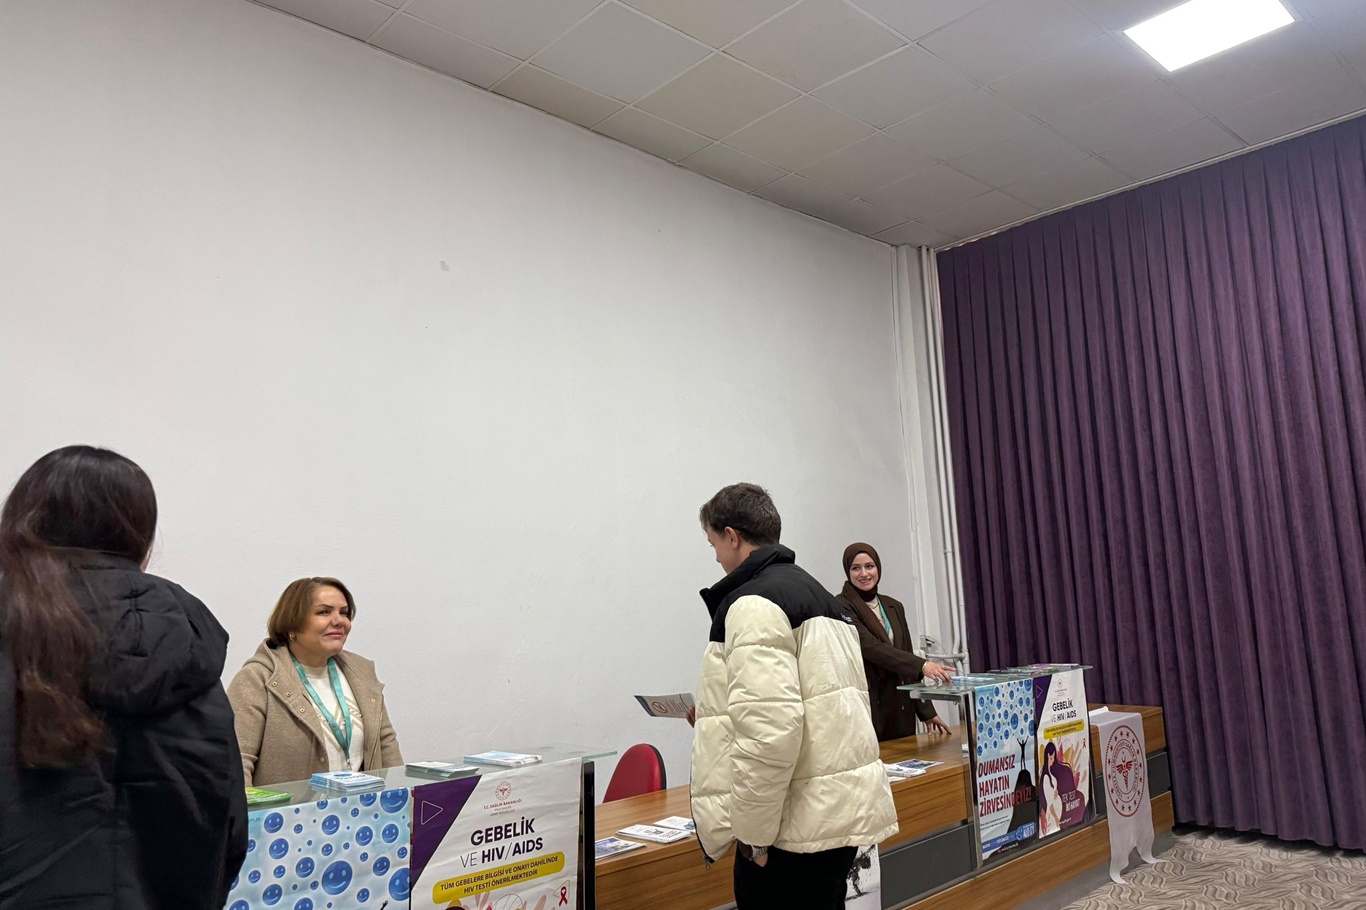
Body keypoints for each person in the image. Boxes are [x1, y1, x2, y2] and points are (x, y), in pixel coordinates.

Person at [0, 445, 246, 909]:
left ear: (24, 520)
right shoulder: (184, 646)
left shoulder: (13, 628)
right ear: (139, 534)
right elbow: (228, 822)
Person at [690, 483, 897, 910]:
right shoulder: (819, 595)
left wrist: (754, 838)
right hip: (832, 817)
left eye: (713, 545)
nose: (715, 558)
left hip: (791, 832)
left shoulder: (752, 604)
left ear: (732, 536)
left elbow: (771, 732)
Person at [229, 576, 403, 786]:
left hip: (363, 805)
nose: (339, 621)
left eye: (344, 613)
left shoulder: (362, 673)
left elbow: (386, 745)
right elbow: (235, 762)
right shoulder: (257, 679)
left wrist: (403, 797)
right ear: (292, 624)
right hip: (291, 808)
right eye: (324, 612)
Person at [834, 543, 955, 741]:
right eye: (856, 568)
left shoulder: (893, 606)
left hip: (901, 708)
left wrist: (926, 711)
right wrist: (923, 665)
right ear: (848, 571)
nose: (864, 574)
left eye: (869, 566)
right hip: (870, 708)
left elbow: (906, 654)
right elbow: (871, 647)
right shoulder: (840, 606)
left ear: (878, 568)